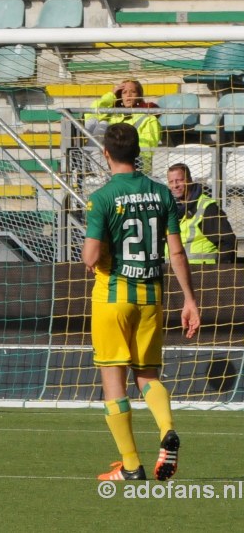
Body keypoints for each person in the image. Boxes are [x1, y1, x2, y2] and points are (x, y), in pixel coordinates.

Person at [82, 123, 200, 482]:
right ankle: (166, 429)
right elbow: (177, 252)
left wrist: (98, 255)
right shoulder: (163, 194)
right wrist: (190, 301)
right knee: (147, 375)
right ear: (138, 152)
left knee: (112, 378)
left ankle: (131, 465)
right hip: (152, 296)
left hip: (113, 296)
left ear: (106, 154)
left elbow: (90, 256)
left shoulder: (102, 198)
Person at [166, 163, 237, 264]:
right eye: (171, 182)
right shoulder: (174, 209)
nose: (175, 185)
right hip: (176, 272)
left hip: (202, 274)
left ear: (190, 180)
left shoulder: (206, 207)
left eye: (180, 180)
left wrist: (221, 274)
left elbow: (227, 241)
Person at [85, 79, 162, 172]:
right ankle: (103, 173)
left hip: (136, 164)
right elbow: (91, 115)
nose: (128, 95)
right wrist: (111, 95)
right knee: (101, 124)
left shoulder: (149, 119)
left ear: (139, 96)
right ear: (120, 96)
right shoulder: (113, 117)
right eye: (124, 92)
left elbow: (147, 147)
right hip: (111, 163)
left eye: (133, 92)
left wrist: (122, 153)